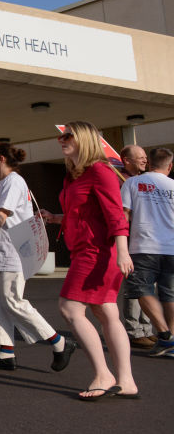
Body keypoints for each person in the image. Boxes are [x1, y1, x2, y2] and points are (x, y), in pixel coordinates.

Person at [38, 121, 138, 400]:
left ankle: (104, 375)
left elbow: (115, 213)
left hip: (98, 252)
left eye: (68, 136)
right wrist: (55, 217)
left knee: (70, 308)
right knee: (107, 312)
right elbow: (83, 213)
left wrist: (123, 250)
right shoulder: (74, 175)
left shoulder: (100, 170)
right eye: (61, 137)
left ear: (84, 139)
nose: (62, 140)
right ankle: (127, 381)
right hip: (88, 249)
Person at [0, 143, 75, 371]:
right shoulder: (4, 183)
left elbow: (2, 214)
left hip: (12, 252)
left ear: (0, 159)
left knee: (12, 300)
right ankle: (6, 353)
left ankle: (59, 341)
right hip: (1, 253)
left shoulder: (14, 182)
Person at [120, 146, 174, 358]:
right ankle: (170, 340)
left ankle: (164, 336)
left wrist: (120, 245)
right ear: (170, 166)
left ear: (149, 164)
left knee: (141, 290)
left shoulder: (132, 183)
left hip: (143, 247)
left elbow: (123, 215)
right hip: (170, 248)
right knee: (169, 294)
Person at [118, 144, 156, 349]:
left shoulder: (146, 182)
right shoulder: (119, 181)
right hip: (132, 242)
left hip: (149, 241)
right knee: (135, 286)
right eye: (139, 157)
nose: (144, 160)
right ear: (127, 161)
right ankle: (134, 331)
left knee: (149, 287)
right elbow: (121, 213)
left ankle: (147, 328)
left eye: (144, 157)